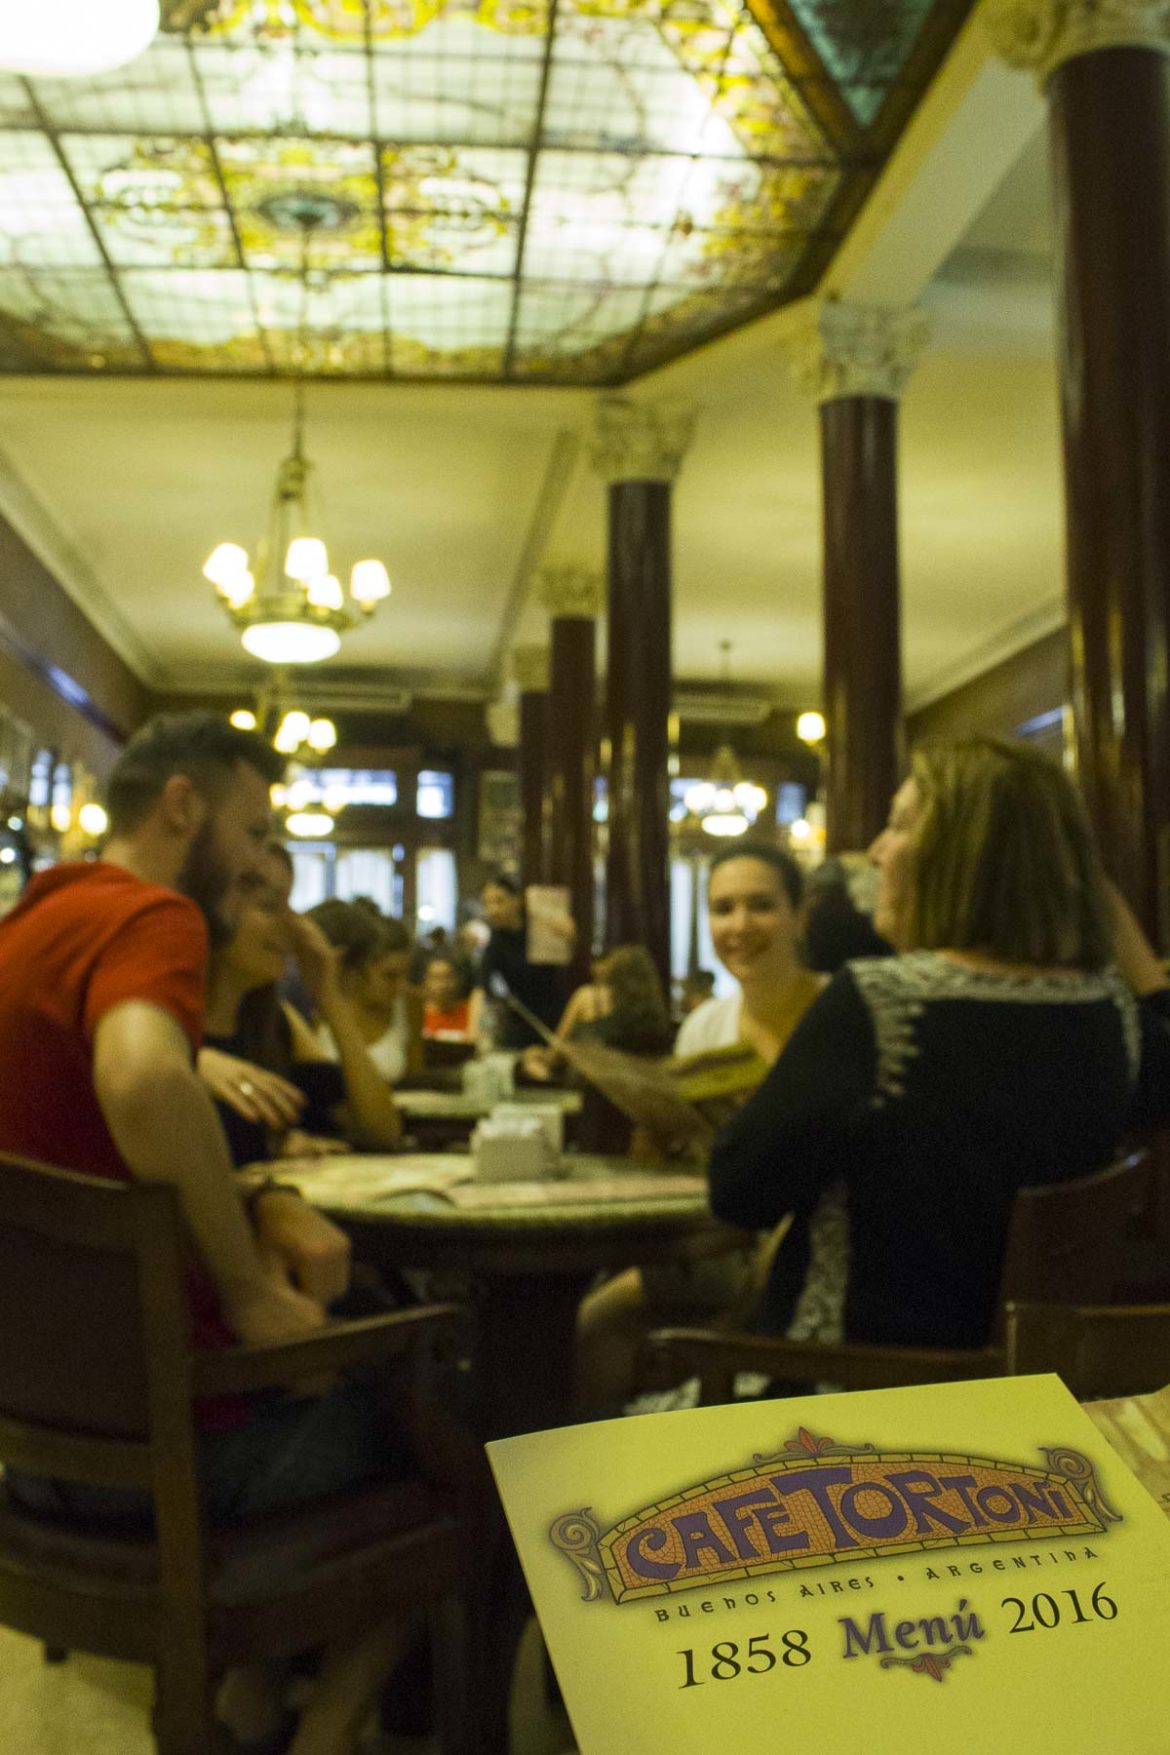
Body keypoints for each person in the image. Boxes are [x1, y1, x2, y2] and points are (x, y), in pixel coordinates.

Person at [0, 713, 469, 1754]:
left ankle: (250, 1711)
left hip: (34, 1459)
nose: (263, 861)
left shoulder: (29, 922)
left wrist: (251, 1202)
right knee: (464, 1444)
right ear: (183, 807)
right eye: (256, 833)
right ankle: (327, 1734)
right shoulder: (153, 915)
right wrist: (249, 1291)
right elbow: (141, 1076)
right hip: (180, 1454)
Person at [708, 738, 1170, 1351]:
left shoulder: (877, 1002)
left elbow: (739, 1194)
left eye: (897, 825)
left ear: (961, 853)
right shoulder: (1114, 1013)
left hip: (847, 1397)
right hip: (1027, 1395)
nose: (874, 851)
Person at [574, 845, 826, 1412]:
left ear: (798, 916)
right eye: (722, 909)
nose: (738, 926)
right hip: (719, 1244)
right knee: (592, 1323)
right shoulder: (705, 1027)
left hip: (812, 1253)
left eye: (760, 906)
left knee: (614, 1323)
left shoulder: (837, 1011)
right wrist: (651, 1123)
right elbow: (676, 1168)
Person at [198, 844, 403, 1164]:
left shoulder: (276, 1022)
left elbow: (382, 1129)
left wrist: (330, 999)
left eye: (291, 905)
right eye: (270, 906)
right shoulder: (166, 1028)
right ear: (216, 913)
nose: (295, 924)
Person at [307, 902, 424, 1084]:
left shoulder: (409, 1005)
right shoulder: (318, 1003)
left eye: (405, 974)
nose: (400, 986)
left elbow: (416, 1080)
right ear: (359, 970)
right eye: (390, 976)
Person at [467, 873, 569, 1050]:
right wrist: (472, 1030)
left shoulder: (541, 929)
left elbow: (568, 965)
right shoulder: (495, 943)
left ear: (517, 901)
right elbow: (481, 988)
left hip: (556, 1018)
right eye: (486, 903)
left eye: (499, 901)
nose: (492, 910)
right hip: (521, 1024)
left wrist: (570, 937)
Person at [421, 953, 471, 1038]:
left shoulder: (471, 1012)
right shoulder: (416, 1015)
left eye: (448, 977)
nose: (443, 985)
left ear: (457, 980)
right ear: (426, 981)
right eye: (436, 978)